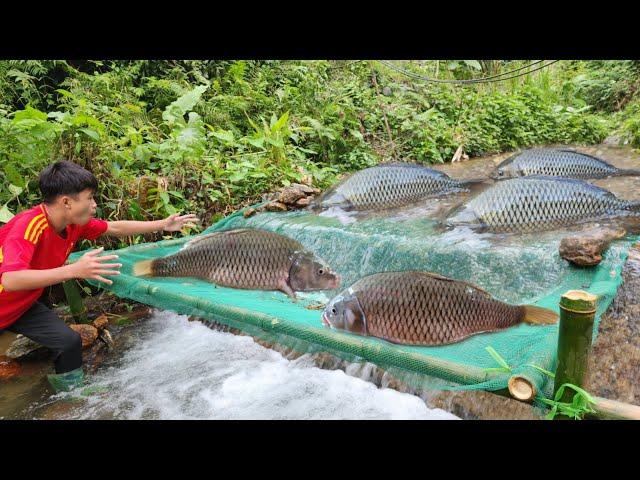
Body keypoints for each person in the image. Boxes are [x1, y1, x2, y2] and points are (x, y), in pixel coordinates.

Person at [0, 160, 198, 392]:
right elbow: (10, 279)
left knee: (69, 342)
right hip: (10, 298)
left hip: (21, 306)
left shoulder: (74, 223)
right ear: (66, 202)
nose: (94, 205)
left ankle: (70, 397)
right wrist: (74, 270)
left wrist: (163, 225)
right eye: (90, 198)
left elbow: (114, 228)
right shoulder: (29, 226)